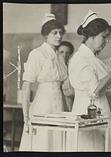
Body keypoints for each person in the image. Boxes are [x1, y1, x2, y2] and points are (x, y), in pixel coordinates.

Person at [67, 10, 111, 151]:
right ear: (91, 35)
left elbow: (106, 82)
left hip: (98, 113)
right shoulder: (80, 59)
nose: (107, 41)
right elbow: (95, 90)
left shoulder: (93, 59)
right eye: (104, 37)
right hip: (86, 113)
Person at [19, 13, 68, 151]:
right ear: (46, 35)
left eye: (60, 33)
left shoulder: (60, 57)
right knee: (43, 142)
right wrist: (26, 117)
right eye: (55, 33)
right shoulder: (37, 54)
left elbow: (65, 85)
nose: (59, 36)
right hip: (43, 104)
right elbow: (26, 85)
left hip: (59, 105)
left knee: (57, 142)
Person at [58, 41, 75, 111]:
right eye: (61, 52)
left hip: (69, 100)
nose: (64, 55)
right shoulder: (53, 68)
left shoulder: (72, 68)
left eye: (67, 53)